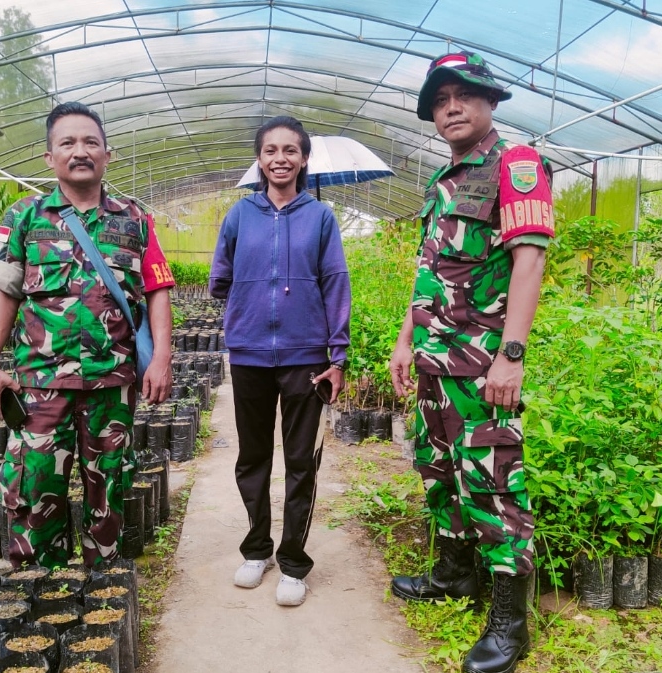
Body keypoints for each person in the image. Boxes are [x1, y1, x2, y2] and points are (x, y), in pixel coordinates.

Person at [388, 52, 553, 673]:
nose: (450, 107)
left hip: (482, 364)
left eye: (462, 95)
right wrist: (406, 340)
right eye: (439, 100)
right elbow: (429, 272)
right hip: (434, 361)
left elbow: (529, 262)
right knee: (437, 469)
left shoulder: (517, 165)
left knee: (493, 481)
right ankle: (455, 573)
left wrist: (511, 356)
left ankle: (510, 623)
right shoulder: (443, 182)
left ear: (490, 100)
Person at [0, 101, 175, 570]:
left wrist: (163, 357)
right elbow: (4, 292)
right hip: (41, 386)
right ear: (50, 157)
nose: (80, 151)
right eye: (67, 143)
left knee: (108, 491)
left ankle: (98, 588)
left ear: (107, 153)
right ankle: (40, 590)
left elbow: (158, 290)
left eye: (90, 142)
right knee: (34, 488)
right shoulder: (26, 216)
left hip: (112, 384)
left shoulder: (134, 219)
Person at [209, 116, 351, 607]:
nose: (280, 158)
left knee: (299, 462)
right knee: (252, 457)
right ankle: (256, 549)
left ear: (304, 158)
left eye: (291, 150)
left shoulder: (321, 217)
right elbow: (219, 277)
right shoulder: (239, 215)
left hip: (305, 358)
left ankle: (293, 562)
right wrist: (246, 310)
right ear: (260, 158)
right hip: (249, 355)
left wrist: (338, 353)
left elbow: (335, 281)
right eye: (270, 150)